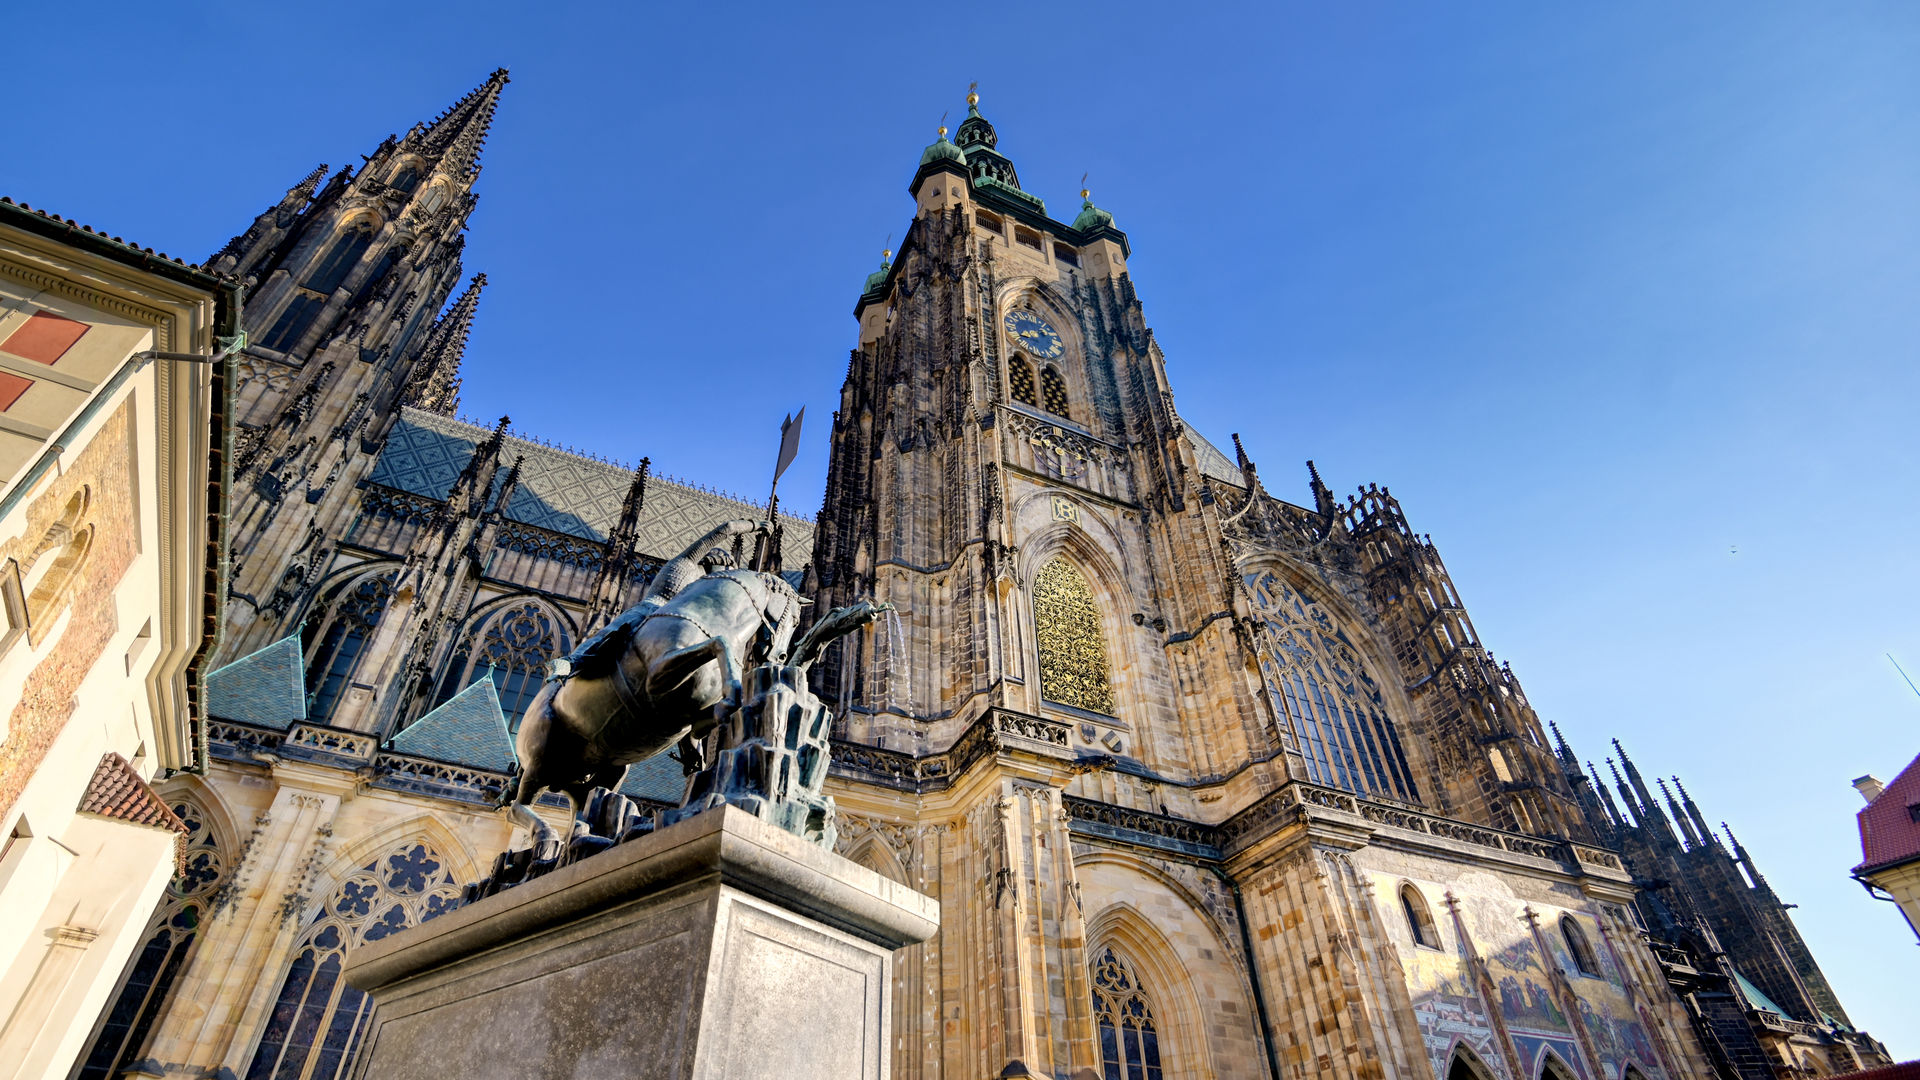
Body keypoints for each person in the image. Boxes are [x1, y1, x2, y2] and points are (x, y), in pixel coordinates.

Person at [550, 518, 769, 681]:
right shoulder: (685, 564)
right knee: (623, 624)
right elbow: (727, 528)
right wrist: (754, 525)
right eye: (724, 570)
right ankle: (571, 662)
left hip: (678, 624)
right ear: (715, 563)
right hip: (654, 608)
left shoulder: (704, 591)